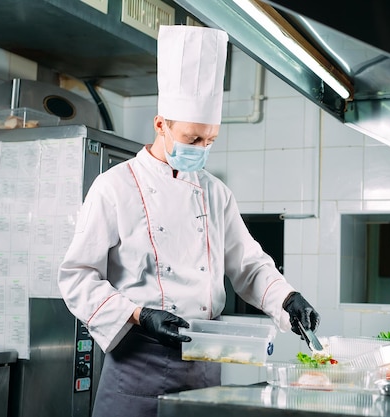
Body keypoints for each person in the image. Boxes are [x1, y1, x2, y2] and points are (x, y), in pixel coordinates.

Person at [57, 25, 320, 417]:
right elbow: (77, 277)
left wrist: (286, 297)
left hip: (204, 364)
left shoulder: (215, 193)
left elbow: (247, 264)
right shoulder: (115, 187)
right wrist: (139, 314)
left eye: (210, 140)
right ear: (161, 124)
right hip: (138, 364)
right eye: (193, 139)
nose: (203, 149)